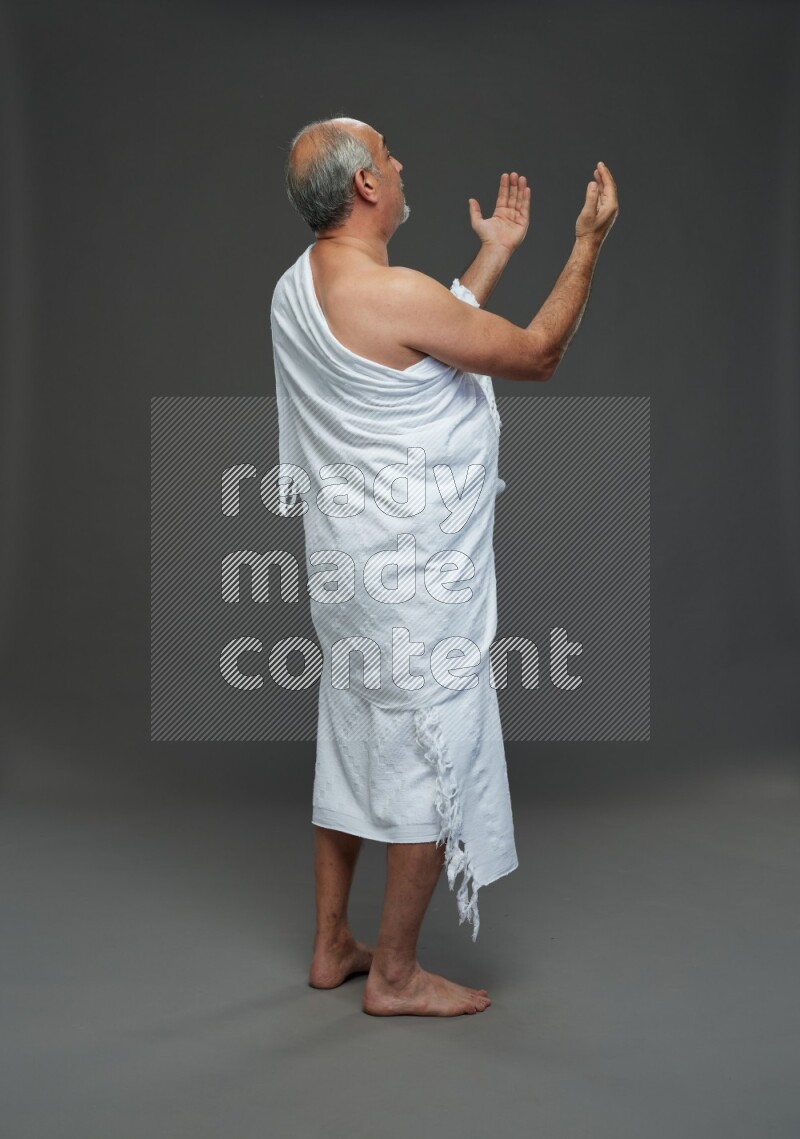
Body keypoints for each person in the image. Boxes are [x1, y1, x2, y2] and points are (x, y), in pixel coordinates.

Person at [271, 116, 618, 1016]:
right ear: (365, 189)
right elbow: (534, 353)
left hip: (349, 580)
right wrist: (585, 245)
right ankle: (392, 974)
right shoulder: (396, 295)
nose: (398, 163)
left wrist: (491, 256)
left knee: (351, 738)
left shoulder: (295, 288)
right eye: (386, 155)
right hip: (416, 592)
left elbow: (410, 353)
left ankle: (329, 944)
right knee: (433, 755)